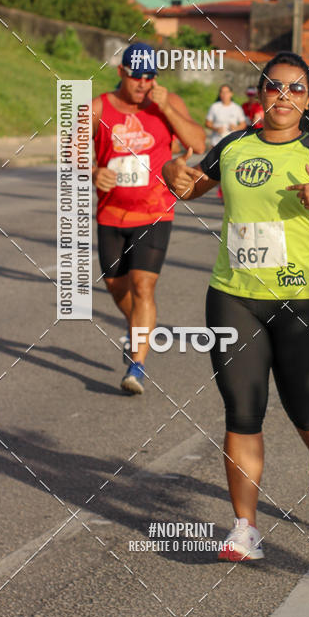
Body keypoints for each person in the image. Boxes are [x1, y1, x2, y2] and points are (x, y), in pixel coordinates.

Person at [162, 52, 309, 562]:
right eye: (275, 87)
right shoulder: (234, 145)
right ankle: (244, 527)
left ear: (307, 100)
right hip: (234, 295)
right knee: (242, 410)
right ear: (260, 94)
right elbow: (195, 185)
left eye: (296, 89)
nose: (284, 96)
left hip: (305, 298)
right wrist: (175, 174)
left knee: (302, 404)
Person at [92, 43, 206, 394]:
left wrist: (167, 107)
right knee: (117, 286)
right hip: (111, 213)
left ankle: (137, 364)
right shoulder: (97, 107)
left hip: (155, 210)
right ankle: (137, 328)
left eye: (150, 76)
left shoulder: (166, 105)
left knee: (144, 286)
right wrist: (94, 170)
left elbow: (198, 143)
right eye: (136, 76)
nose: (143, 83)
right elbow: (71, 153)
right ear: (121, 73)